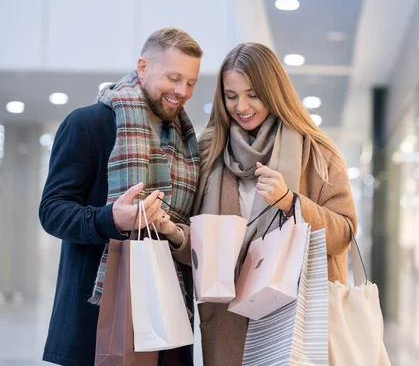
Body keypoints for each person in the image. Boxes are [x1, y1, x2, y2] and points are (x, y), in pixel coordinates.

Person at [38, 28, 202, 366]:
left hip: (167, 318)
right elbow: (52, 211)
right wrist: (110, 219)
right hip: (97, 317)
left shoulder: (189, 145)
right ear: (142, 66)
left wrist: (173, 231)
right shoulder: (89, 124)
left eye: (190, 82)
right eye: (173, 78)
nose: (181, 91)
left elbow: (189, 226)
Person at [192, 42, 358, 365]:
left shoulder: (319, 154)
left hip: (296, 326)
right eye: (231, 95)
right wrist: (174, 235)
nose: (242, 106)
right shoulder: (208, 154)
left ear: (273, 90)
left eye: (253, 94)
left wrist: (291, 202)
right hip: (228, 327)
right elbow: (199, 244)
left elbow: (344, 234)